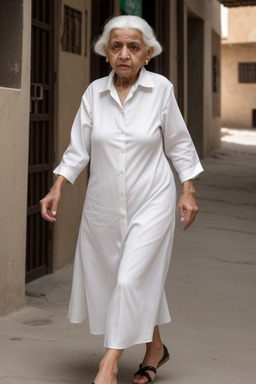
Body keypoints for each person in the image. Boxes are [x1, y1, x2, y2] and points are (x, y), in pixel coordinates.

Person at [40, 15, 203, 384]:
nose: (124, 54)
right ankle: (155, 350)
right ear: (106, 53)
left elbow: (178, 143)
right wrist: (57, 187)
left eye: (133, 47)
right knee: (129, 279)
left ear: (147, 53)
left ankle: (108, 365)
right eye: (116, 47)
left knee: (131, 281)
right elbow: (78, 149)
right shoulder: (94, 94)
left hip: (153, 200)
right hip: (104, 206)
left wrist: (188, 190)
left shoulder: (161, 89)